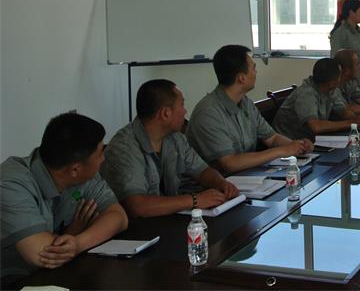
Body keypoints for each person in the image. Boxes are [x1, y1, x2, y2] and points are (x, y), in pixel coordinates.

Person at [1, 112, 128, 284]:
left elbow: (118, 217)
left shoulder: (82, 174)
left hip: (52, 277)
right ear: (75, 169)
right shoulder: (10, 184)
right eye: (100, 153)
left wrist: (78, 242)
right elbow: (43, 254)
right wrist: (72, 235)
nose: (103, 159)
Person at [101, 79, 240, 218]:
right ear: (165, 113)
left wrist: (221, 183)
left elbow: (202, 171)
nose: (185, 111)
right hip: (137, 227)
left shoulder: (175, 138)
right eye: (182, 104)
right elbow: (137, 206)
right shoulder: (124, 148)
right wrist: (195, 200)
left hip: (167, 219)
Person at [186, 45, 313, 174]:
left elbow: (272, 138)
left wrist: (297, 146)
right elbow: (230, 163)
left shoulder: (245, 102)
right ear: (241, 78)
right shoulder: (208, 113)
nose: (256, 72)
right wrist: (282, 151)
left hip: (248, 177)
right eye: (253, 68)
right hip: (220, 182)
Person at [273, 58, 360, 140]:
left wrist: (357, 119)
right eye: (340, 75)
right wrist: (350, 123)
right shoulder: (306, 95)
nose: (341, 77)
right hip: (289, 144)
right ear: (332, 83)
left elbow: (343, 111)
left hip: (310, 141)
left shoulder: (330, 89)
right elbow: (316, 127)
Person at [329, 0, 360, 92]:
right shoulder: (340, 33)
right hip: (347, 88)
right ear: (351, 13)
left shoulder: (359, 32)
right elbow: (335, 61)